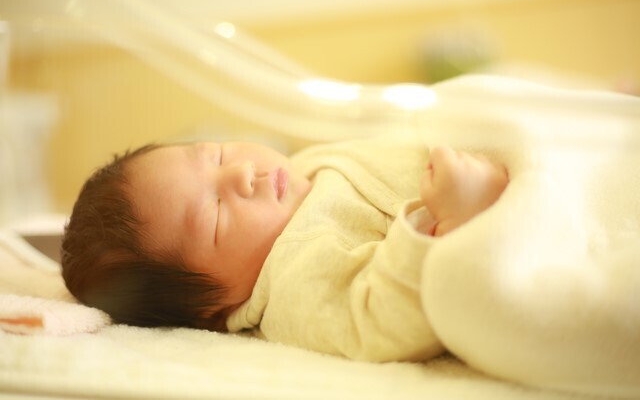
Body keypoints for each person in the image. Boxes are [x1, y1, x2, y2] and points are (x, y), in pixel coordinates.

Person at [62, 136, 509, 361]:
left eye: (217, 155)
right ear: (214, 311)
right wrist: (456, 222)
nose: (239, 173)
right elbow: (383, 322)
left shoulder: (305, 166)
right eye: (215, 215)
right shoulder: (295, 283)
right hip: (499, 238)